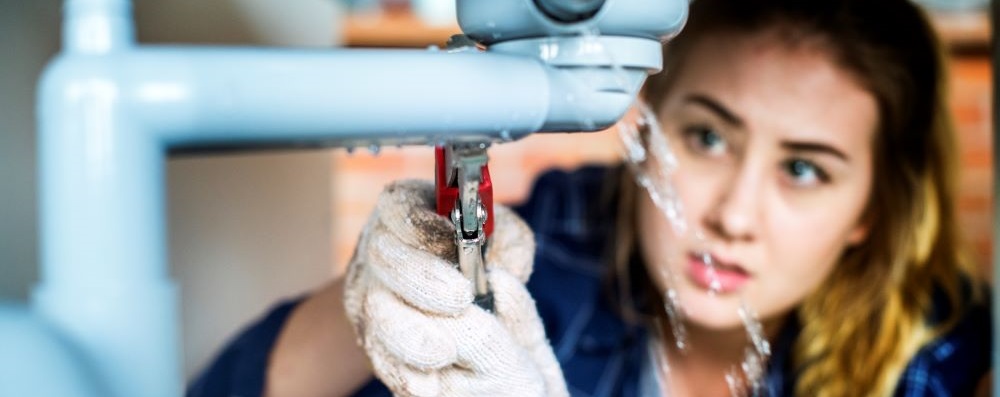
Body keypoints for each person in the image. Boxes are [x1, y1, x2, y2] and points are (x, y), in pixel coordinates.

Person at [187, 0, 992, 395]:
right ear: (645, 122)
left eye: (804, 169)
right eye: (708, 137)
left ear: (871, 212)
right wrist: (363, 305)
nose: (732, 217)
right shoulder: (558, 246)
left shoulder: (939, 350)